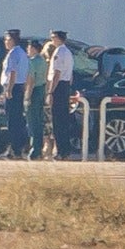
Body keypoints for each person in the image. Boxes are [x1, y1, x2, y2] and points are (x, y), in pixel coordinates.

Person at [0, 30, 31, 158]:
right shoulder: (22, 53)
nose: (5, 42)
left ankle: (14, 148)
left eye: (7, 39)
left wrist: (9, 89)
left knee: (12, 119)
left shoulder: (13, 53)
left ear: (12, 40)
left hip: (13, 87)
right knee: (17, 118)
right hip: (19, 87)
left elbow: (12, 72)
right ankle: (18, 147)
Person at [47, 30, 76, 158]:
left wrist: (50, 91)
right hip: (65, 86)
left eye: (53, 37)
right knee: (63, 119)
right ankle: (65, 149)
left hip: (59, 87)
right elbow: (71, 75)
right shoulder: (68, 52)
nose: (52, 40)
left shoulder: (59, 52)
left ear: (58, 38)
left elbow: (57, 73)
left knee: (58, 121)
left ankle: (61, 150)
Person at [26, 40, 49, 161]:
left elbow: (31, 80)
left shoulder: (33, 61)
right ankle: (38, 146)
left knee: (32, 120)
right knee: (39, 120)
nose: (27, 51)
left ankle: (35, 148)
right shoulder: (43, 61)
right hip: (42, 90)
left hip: (34, 91)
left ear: (34, 49)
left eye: (29, 48)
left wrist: (27, 96)